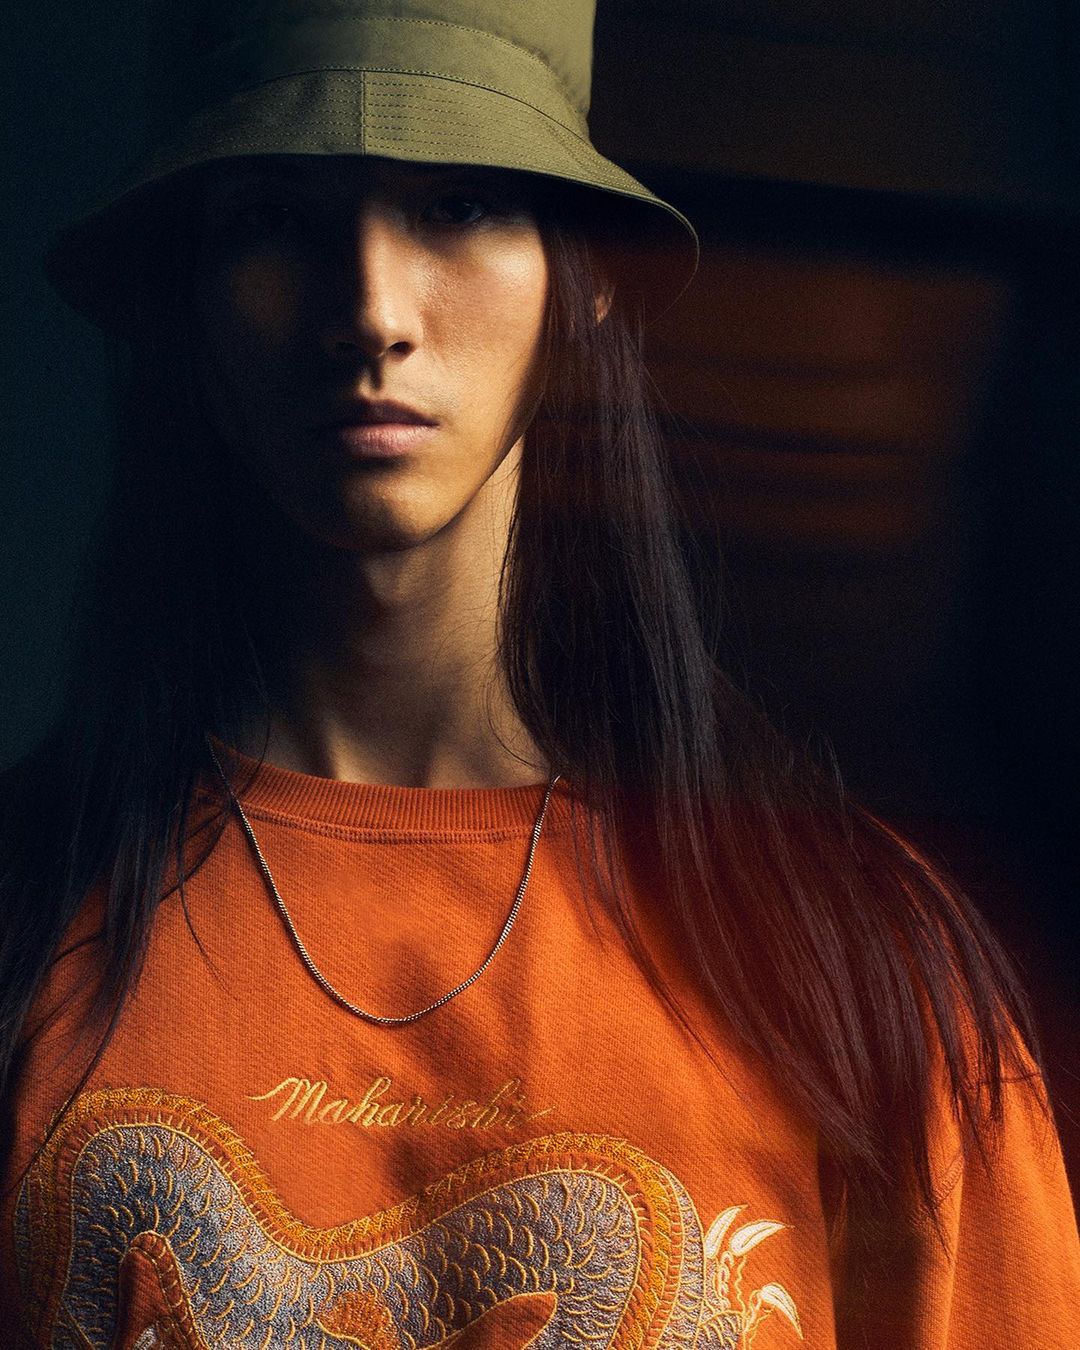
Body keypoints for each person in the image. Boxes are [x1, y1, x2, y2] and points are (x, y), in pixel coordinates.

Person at [1, 1, 1077, 1347]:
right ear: (188, 294)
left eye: (458, 207)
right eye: (276, 219)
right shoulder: (31, 931)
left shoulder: (861, 977)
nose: (372, 311)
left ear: (586, 274)